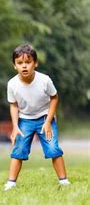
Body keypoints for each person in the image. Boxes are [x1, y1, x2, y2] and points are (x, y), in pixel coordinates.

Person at [4, 44, 70, 191]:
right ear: (14, 65)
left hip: (45, 118)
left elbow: (54, 98)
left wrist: (48, 122)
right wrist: (15, 126)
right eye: (20, 63)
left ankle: (64, 180)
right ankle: (11, 183)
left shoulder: (44, 80)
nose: (24, 66)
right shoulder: (12, 84)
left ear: (35, 63)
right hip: (24, 120)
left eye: (28, 62)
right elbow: (13, 105)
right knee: (18, 150)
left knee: (53, 149)